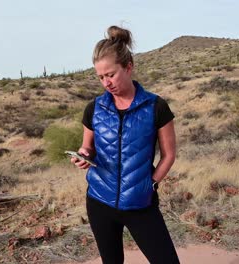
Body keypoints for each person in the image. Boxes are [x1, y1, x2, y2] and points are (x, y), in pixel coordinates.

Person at [70, 25, 180, 264]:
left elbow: (169, 155)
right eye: (100, 77)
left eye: (110, 74)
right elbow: (86, 147)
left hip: (140, 203)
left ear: (128, 67)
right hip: (100, 201)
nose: (106, 82)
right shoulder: (95, 109)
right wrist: (82, 155)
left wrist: (150, 184)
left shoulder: (155, 106)